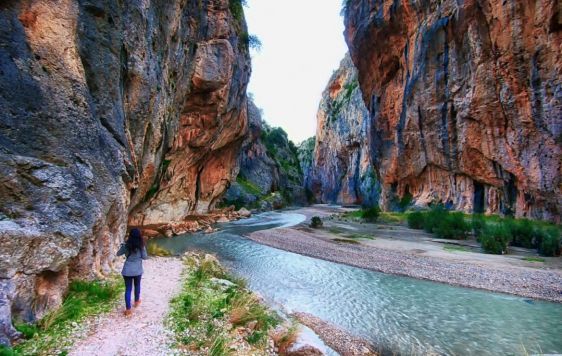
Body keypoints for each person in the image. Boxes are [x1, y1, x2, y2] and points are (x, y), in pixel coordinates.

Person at [117, 228, 148, 316]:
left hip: (127, 270)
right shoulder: (141, 246)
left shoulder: (126, 245)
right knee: (137, 285)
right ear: (139, 236)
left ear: (130, 236)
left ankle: (128, 310)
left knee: (128, 289)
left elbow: (118, 254)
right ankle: (137, 301)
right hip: (137, 270)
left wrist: (122, 246)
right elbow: (145, 257)